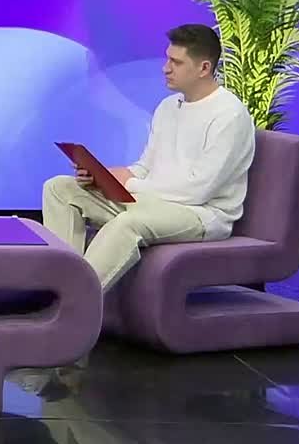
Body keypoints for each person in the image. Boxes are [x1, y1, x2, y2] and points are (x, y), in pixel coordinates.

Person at [41, 24, 256, 292]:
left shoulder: (229, 115)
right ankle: (60, 282)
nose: (166, 68)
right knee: (59, 189)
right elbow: (145, 167)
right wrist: (105, 177)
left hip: (200, 214)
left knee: (127, 224)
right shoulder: (168, 107)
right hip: (153, 201)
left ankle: (75, 298)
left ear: (204, 68)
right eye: (167, 59)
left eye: (176, 62)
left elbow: (198, 190)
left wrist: (130, 184)